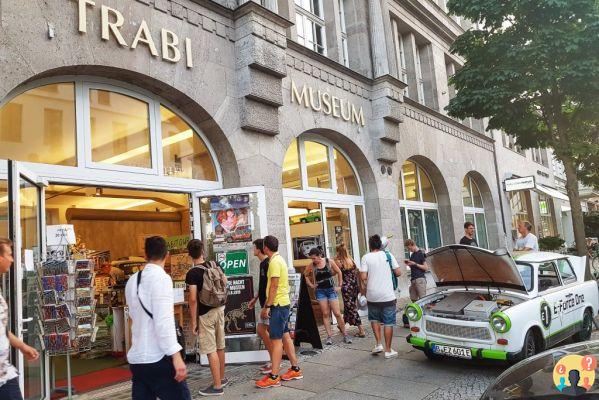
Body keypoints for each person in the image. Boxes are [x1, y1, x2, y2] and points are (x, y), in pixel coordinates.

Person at [125, 236, 190, 400]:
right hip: (158, 357)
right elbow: (164, 321)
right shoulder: (162, 279)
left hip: (137, 359)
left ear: (145, 255)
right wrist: (177, 356)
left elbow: (133, 316)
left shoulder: (132, 281)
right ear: (166, 254)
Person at [256, 235, 303, 388]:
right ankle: (295, 368)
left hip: (278, 305)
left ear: (265, 248)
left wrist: (267, 306)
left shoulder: (274, 262)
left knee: (276, 341)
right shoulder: (277, 260)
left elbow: (274, 286)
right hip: (283, 304)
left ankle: (274, 376)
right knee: (285, 336)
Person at [185, 239, 227, 396]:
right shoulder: (215, 265)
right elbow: (225, 282)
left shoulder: (193, 273)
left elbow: (193, 299)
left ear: (190, 255)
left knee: (210, 350)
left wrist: (194, 321)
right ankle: (221, 378)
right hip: (219, 310)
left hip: (205, 314)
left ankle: (217, 387)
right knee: (220, 346)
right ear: (203, 251)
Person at [0, 239, 39, 400]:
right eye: (9, 254)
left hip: (4, 374)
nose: (12, 259)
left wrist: (22, 346)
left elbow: (2, 330)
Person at [359, 234, 401, 359]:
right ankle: (388, 350)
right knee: (388, 322)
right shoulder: (388, 255)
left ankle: (378, 344)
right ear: (381, 245)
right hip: (387, 295)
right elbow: (398, 272)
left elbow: (363, 277)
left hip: (372, 295)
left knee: (374, 319)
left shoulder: (365, 257)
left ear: (370, 245)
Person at [304, 247, 352, 345]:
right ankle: (329, 336)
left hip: (331, 290)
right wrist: (312, 285)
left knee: (337, 313)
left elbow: (339, 272)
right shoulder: (312, 265)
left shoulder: (328, 261)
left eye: (314, 258)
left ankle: (345, 335)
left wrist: (340, 286)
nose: (313, 260)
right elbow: (305, 275)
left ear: (319, 256)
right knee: (325, 314)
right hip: (320, 292)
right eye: (311, 259)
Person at [248, 239, 272, 374]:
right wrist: (255, 298)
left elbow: (272, 286)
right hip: (264, 303)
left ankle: (275, 361)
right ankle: (273, 359)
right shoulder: (263, 263)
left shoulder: (268, 263)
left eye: (254, 247)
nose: (253, 250)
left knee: (264, 331)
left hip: (269, 305)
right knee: (263, 331)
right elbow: (262, 285)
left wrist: (267, 306)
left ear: (259, 249)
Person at [336, 244, 366, 338]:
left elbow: (334, 271)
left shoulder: (339, 262)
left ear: (339, 252)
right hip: (354, 286)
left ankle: (361, 330)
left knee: (351, 308)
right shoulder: (351, 260)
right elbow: (357, 272)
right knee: (348, 306)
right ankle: (342, 325)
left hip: (346, 287)